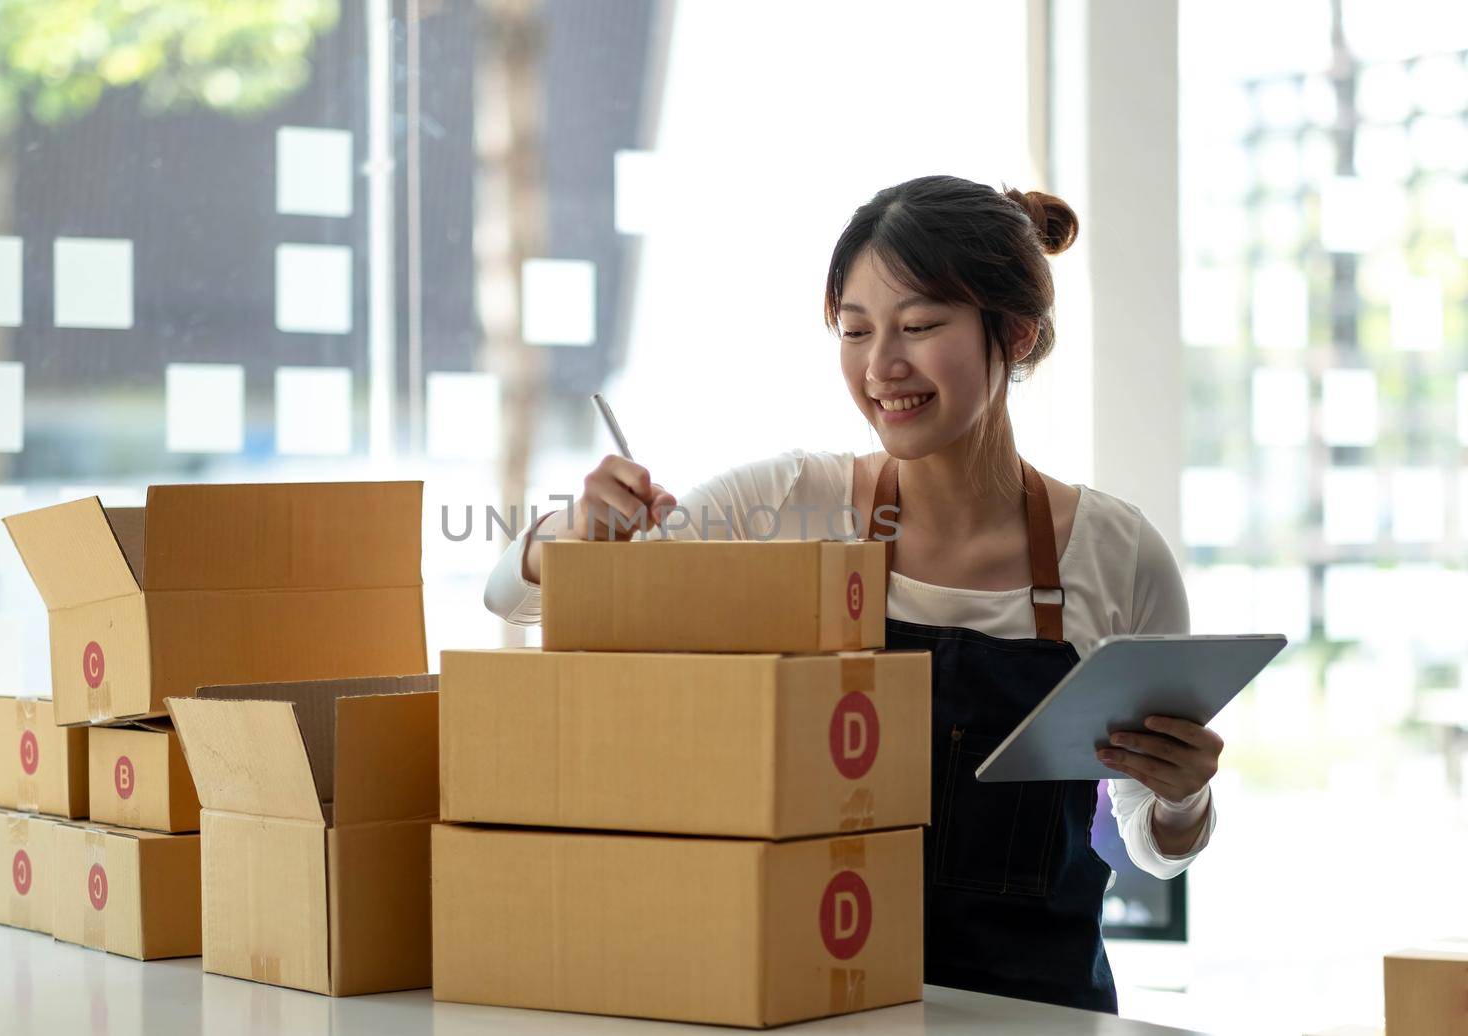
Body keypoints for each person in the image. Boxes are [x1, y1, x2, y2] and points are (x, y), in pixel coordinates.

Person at [482, 174, 1219, 1015]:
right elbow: (516, 599)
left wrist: (1181, 794)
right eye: (856, 330)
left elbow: (1151, 847)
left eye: (920, 326)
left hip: (1038, 1012)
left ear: (1013, 333)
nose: (881, 367)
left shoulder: (1122, 558)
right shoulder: (790, 505)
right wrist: (579, 531)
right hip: (820, 1006)